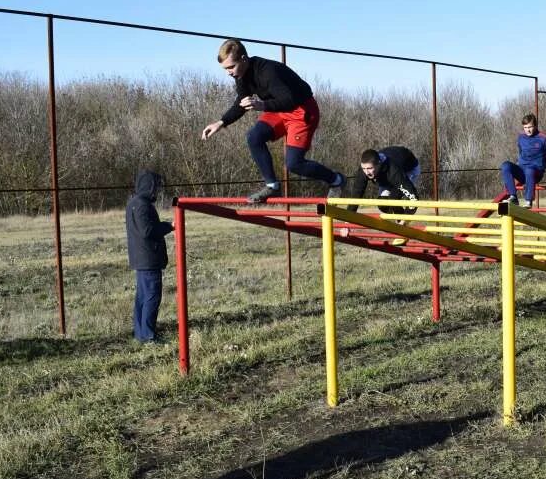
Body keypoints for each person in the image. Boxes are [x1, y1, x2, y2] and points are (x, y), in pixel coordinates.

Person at [201, 39, 345, 203]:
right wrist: (221, 122)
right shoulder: (240, 75)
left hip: (301, 110)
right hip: (278, 110)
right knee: (254, 137)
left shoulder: (268, 71)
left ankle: (336, 180)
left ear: (243, 58)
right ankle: (272, 186)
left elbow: (289, 100)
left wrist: (262, 105)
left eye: (231, 67)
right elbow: (242, 103)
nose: (229, 72)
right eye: (225, 69)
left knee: (294, 164)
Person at [126, 170, 174, 344]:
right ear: (149, 187)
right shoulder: (142, 206)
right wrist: (169, 226)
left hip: (141, 258)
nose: (157, 192)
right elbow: (148, 231)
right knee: (152, 296)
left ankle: (141, 333)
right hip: (149, 259)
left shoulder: (133, 203)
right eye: (156, 187)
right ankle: (148, 335)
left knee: (142, 296)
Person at [500, 114, 546, 207]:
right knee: (505, 165)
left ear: (535, 126)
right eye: (525, 127)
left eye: (530, 127)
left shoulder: (544, 138)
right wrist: (519, 163)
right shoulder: (521, 137)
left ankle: (529, 200)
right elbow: (521, 151)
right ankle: (513, 197)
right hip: (522, 171)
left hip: (536, 172)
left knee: (529, 170)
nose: (528, 130)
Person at [346, 146, 420, 214]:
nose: (366, 172)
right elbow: (357, 193)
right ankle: (397, 218)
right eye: (364, 168)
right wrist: (347, 223)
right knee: (382, 204)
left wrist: (404, 220)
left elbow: (413, 197)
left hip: (408, 169)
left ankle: (401, 222)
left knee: (393, 198)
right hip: (386, 173)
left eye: (369, 168)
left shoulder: (394, 171)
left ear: (378, 164)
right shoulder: (365, 168)